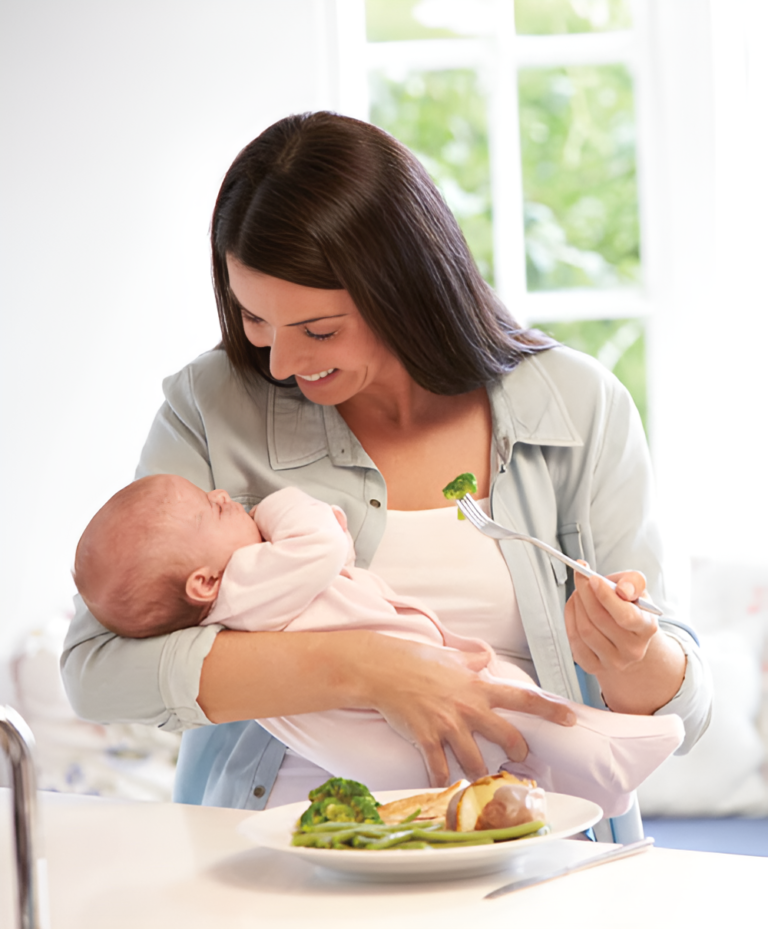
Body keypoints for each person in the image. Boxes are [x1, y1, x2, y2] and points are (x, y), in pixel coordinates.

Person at [61, 112, 711, 838]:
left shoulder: (578, 405)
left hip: (528, 848)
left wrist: (632, 654)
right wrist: (365, 667)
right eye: (254, 320)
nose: (279, 363)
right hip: (277, 854)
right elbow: (97, 670)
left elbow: (686, 712)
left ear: (407, 288)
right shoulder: (212, 408)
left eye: (318, 330)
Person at [71, 475, 684, 817]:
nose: (228, 496)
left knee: (509, 755)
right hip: (402, 694)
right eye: (213, 508)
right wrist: (285, 500)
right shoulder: (247, 578)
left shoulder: (218, 612)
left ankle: (594, 785)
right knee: (521, 707)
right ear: (203, 581)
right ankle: (615, 755)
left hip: (366, 752)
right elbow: (320, 545)